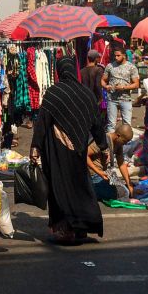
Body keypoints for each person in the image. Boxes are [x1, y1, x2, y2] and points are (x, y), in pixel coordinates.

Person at [31, 56, 109, 244]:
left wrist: (36, 147)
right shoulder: (86, 94)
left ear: (59, 71)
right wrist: (103, 145)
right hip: (80, 149)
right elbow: (96, 123)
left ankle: (65, 229)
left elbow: (42, 123)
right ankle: (83, 226)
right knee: (80, 186)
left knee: (60, 188)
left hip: (57, 150)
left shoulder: (54, 92)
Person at [102, 47, 140, 127]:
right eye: (115, 56)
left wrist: (123, 88)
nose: (116, 57)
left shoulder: (131, 67)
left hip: (125, 99)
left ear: (124, 56)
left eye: (118, 55)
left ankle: (126, 139)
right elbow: (103, 80)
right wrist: (106, 86)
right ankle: (110, 139)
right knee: (111, 124)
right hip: (112, 99)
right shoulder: (110, 66)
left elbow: (136, 84)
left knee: (126, 125)